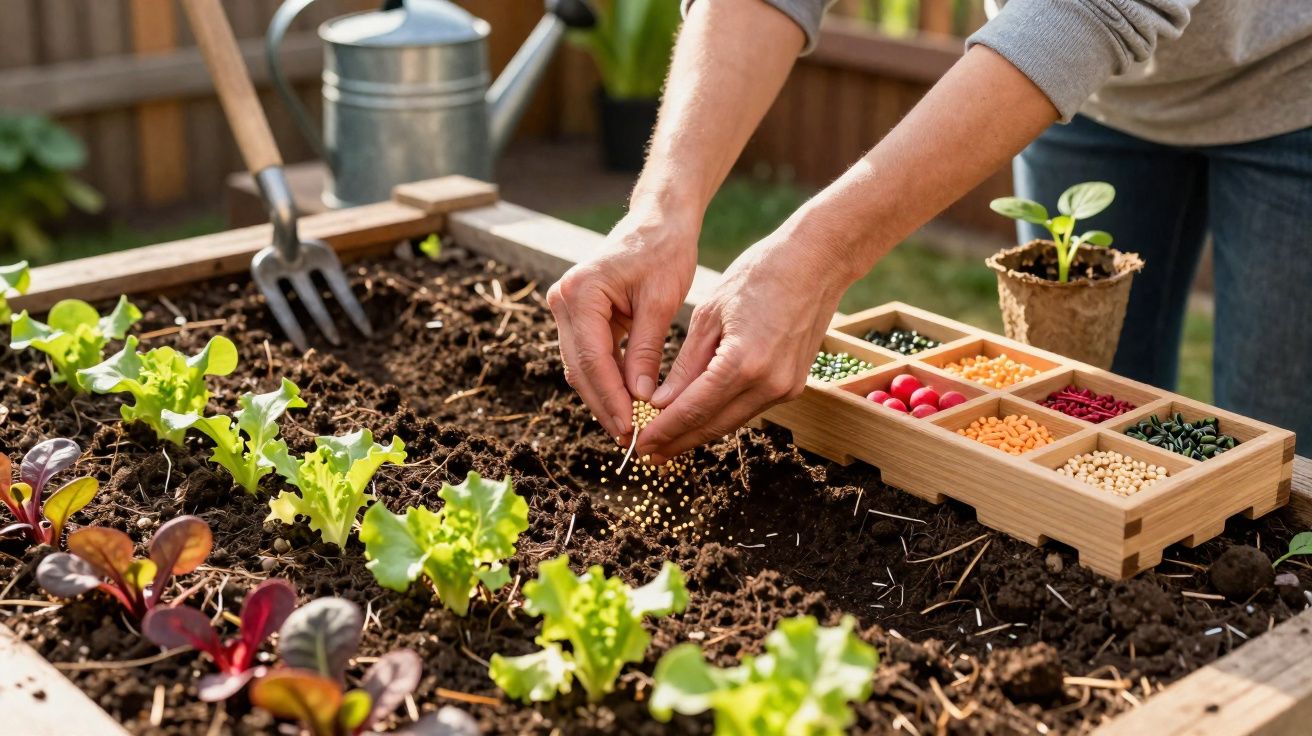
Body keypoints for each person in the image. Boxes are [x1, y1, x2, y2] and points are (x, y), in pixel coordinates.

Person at [546, 0, 1312, 462]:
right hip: (1083, 87)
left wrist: (820, 253)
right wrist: (660, 210)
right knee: (1079, 430)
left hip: (1291, 80)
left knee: (1278, 460)